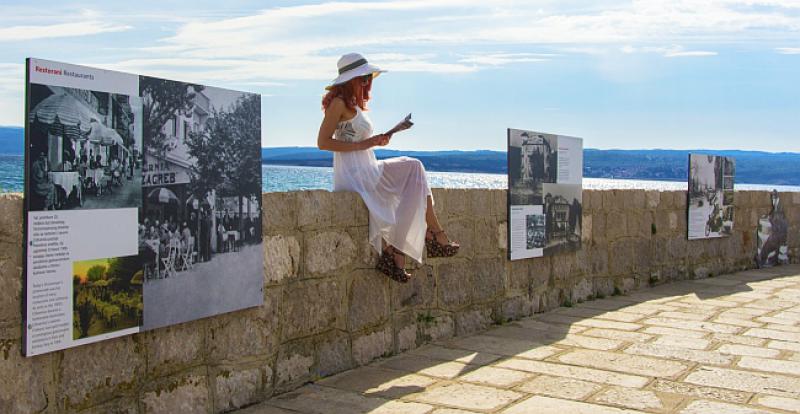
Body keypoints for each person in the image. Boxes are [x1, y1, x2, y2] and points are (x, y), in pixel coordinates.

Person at [317, 53, 459, 283]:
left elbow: (356, 140)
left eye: (368, 79)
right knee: (414, 168)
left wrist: (379, 139)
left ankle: (404, 249)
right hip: (355, 173)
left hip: (365, 167)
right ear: (350, 80)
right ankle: (428, 237)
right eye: (363, 79)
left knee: (416, 172)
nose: (367, 84)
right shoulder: (338, 104)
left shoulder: (353, 105)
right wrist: (368, 143)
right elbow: (323, 142)